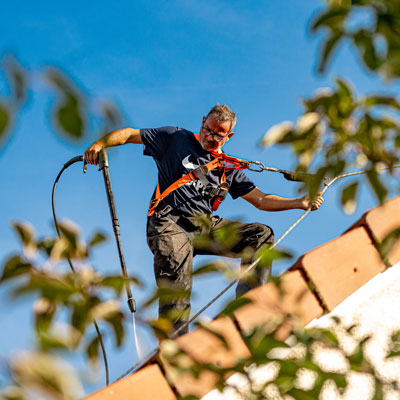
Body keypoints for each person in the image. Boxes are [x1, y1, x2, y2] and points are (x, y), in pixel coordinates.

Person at [85, 104, 324, 335]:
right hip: (170, 224)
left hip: (203, 226)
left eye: (218, 135)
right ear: (202, 122)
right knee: (178, 283)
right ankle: (175, 346)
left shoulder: (228, 168)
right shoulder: (175, 137)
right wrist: (99, 144)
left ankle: (250, 312)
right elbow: (128, 134)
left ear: (229, 136)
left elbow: (260, 200)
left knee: (260, 235)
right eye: (208, 130)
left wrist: (299, 203)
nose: (211, 137)